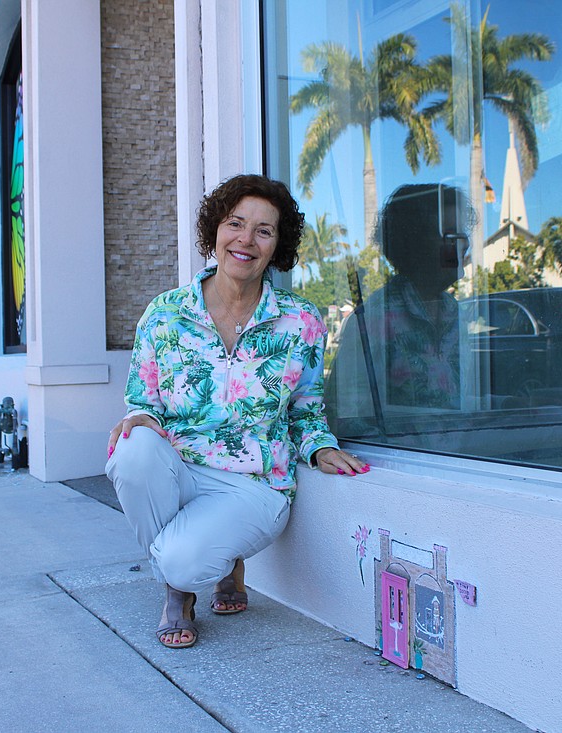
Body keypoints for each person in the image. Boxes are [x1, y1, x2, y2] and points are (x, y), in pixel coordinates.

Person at [106, 174, 369, 650]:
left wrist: (319, 447)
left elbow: (305, 409)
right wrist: (139, 420)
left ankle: (191, 569)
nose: (246, 239)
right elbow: (142, 404)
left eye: (263, 231)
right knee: (132, 451)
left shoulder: (300, 322)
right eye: (236, 223)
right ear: (215, 231)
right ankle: (180, 590)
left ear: (276, 246)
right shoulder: (165, 314)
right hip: (181, 469)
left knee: (185, 559)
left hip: (255, 482)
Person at [325, 183, 470, 437]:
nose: (465, 243)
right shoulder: (373, 320)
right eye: (452, 234)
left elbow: (460, 398)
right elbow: (341, 416)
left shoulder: (453, 312)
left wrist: (508, 404)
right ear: (416, 243)